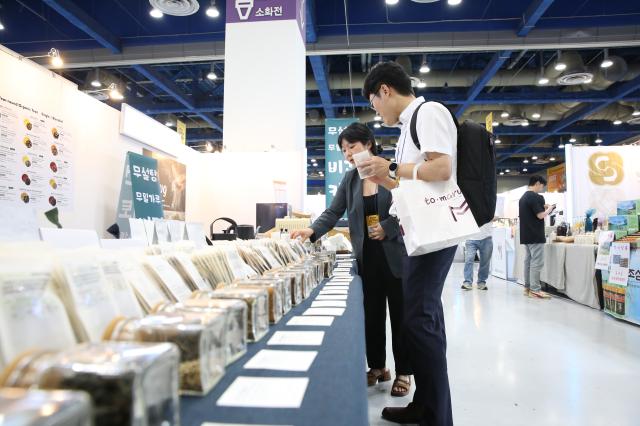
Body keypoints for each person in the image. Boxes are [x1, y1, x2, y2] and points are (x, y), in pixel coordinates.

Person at [359, 61, 459, 426]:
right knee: (423, 320)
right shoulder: (406, 129)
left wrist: (391, 169)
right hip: (417, 234)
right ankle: (428, 405)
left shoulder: (428, 113)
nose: (376, 110)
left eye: (374, 102)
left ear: (385, 90)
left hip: (434, 235)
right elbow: (411, 184)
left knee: (418, 321)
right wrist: (382, 175)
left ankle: (436, 415)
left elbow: (442, 169)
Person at [291, 123, 412, 397]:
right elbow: (333, 212)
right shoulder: (351, 179)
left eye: (352, 147)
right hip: (367, 259)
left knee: (400, 317)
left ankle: (404, 371)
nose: (347, 153)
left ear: (368, 144)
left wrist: (388, 227)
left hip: (395, 256)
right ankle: (379, 367)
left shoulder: (391, 170)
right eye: (344, 149)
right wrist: (311, 230)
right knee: (372, 316)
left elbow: (409, 205)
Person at [519, 175, 555, 299]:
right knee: (537, 262)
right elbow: (540, 216)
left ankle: (527, 287)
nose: (541, 189)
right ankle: (535, 289)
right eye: (541, 186)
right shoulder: (535, 197)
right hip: (535, 234)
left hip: (526, 235)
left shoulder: (523, 197)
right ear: (538, 183)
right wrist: (549, 209)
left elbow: (532, 212)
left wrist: (543, 207)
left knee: (528, 261)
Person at [462, 221, 495, 291]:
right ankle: (467, 282)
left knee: (485, 262)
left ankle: (481, 282)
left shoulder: (492, 209)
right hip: (471, 238)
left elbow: (495, 217)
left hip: (486, 237)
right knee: (469, 259)